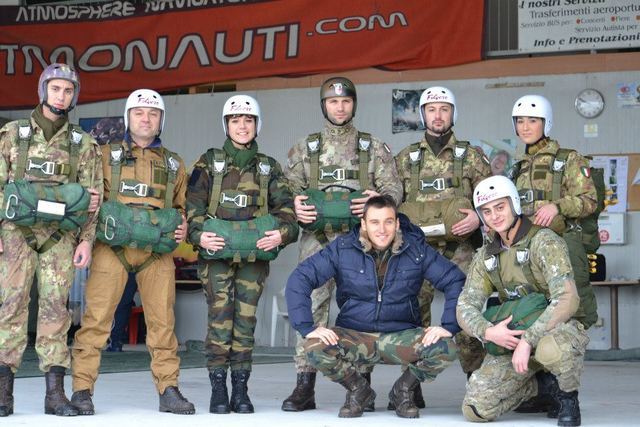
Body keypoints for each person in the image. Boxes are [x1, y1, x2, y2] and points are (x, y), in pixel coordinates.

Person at [71, 89, 195, 415]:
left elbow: (182, 207)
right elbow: (89, 201)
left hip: (156, 253)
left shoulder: (174, 163)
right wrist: (85, 237)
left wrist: (183, 224)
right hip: (112, 249)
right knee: (96, 320)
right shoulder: (104, 156)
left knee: (163, 323)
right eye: (139, 112)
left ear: (161, 120)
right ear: (128, 117)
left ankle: (168, 389)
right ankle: (82, 390)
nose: (146, 119)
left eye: (153, 114)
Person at [283, 77, 403, 412]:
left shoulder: (372, 147)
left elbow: (395, 189)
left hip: (360, 244)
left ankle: (362, 386)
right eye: (333, 102)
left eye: (346, 101)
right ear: (324, 105)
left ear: (354, 105)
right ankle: (304, 385)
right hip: (317, 243)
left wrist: (379, 198)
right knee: (312, 307)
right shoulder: (306, 148)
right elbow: (285, 191)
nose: (340, 107)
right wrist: (293, 205)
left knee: (361, 309)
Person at [286, 195, 464, 418]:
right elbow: (300, 278)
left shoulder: (416, 250)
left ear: (397, 224)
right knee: (314, 345)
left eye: (388, 222)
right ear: (363, 224)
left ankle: (403, 391)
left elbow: (454, 280)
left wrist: (448, 326)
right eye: (374, 222)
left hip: (400, 335)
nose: (382, 229)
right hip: (355, 335)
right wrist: (307, 327)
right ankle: (358, 390)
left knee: (446, 347)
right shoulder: (343, 249)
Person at [0, 63, 102, 417]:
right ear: (43, 90)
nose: (61, 96)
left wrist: (86, 240)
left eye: (68, 90)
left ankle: (54, 394)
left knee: (56, 309)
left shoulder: (83, 143)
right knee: (10, 307)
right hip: (15, 234)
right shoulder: (13, 134)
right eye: (56, 88)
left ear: (75, 96)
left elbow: (93, 197)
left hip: (60, 238)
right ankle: (3, 392)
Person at [186, 94, 298, 414]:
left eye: (248, 120)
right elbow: (191, 207)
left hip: (254, 259)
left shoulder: (269, 168)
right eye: (235, 120)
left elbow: (287, 213)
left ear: (257, 125)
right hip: (216, 258)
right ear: (226, 125)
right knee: (220, 320)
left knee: (245, 323)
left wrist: (281, 234)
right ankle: (218, 389)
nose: (242, 126)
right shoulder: (208, 163)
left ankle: (240, 389)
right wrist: (199, 235)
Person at [457, 175, 587, 427]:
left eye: (500, 207)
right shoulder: (486, 255)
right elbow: (465, 305)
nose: (494, 216)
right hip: (513, 334)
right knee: (476, 410)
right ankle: (541, 387)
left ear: (514, 203)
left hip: (554, 329)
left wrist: (529, 340)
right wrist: (488, 332)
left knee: (552, 350)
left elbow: (567, 298)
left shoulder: (544, 241)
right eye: (486, 211)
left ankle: (567, 396)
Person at [395, 86, 490, 383]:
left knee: (466, 314)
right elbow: (389, 202)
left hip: (460, 251)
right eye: (432, 109)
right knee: (413, 315)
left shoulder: (472, 157)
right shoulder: (405, 158)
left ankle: (475, 383)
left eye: (444, 109)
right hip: (416, 253)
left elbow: (494, 199)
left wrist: (478, 217)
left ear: (453, 113)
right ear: (422, 114)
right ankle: (411, 385)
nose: (438, 115)